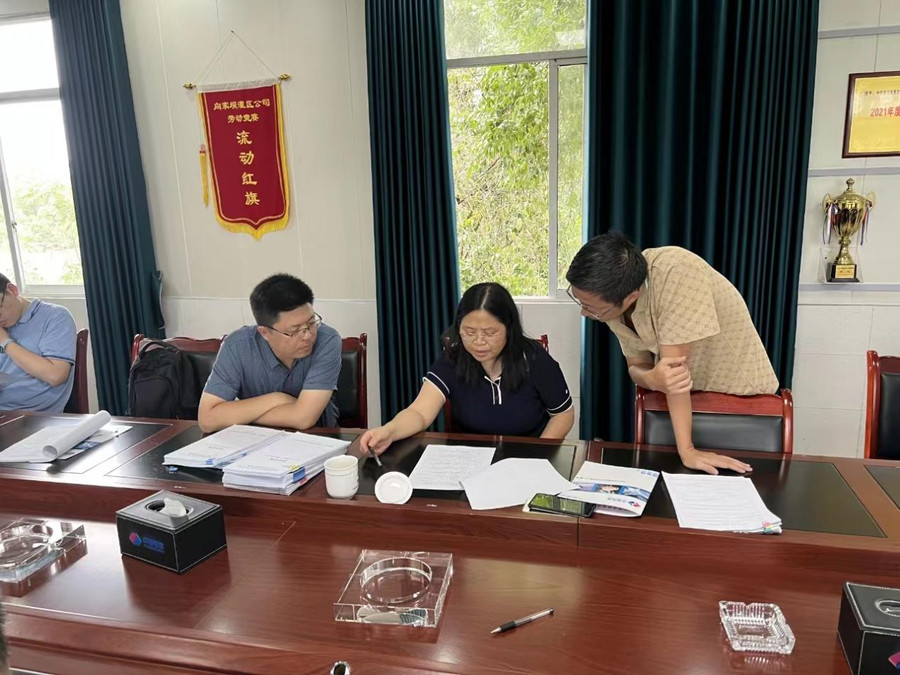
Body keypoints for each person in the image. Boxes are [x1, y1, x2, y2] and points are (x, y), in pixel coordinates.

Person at [566, 232, 778, 475]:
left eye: (591, 308)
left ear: (631, 297)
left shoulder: (676, 272)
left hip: (742, 402)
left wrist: (687, 451)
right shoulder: (612, 303)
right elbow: (637, 367)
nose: (584, 313)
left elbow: (674, 371)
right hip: (683, 406)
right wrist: (651, 379)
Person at [360, 282, 574, 454]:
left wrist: (539, 455)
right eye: (469, 332)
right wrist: (389, 430)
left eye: (490, 333)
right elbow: (419, 412)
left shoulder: (534, 359)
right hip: (470, 458)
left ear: (509, 329)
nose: (478, 342)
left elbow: (563, 415)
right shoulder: (453, 358)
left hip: (526, 456)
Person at [198, 273, 341, 433]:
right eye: (294, 330)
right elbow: (207, 420)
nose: (307, 335)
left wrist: (238, 415)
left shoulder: (327, 340)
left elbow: (304, 418)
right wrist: (277, 398)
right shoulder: (237, 347)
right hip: (254, 439)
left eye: (311, 323)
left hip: (318, 437)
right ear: (265, 332)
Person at [0, 273, 76, 412]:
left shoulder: (55, 316)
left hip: (31, 415)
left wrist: (5, 342)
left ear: (12, 290)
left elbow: (55, 375)